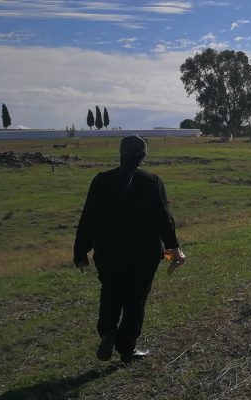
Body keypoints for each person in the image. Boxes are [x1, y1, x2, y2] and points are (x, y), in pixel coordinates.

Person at [73, 135, 186, 366]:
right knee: (135, 300)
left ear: (120, 153)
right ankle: (127, 349)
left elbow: (88, 219)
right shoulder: (152, 181)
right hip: (143, 256)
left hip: (108, 253)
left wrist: (81, 252)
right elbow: (165, 219)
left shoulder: (100, 181)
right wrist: (174, 248)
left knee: (111, 292)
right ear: (143, 156)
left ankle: (107, 332)